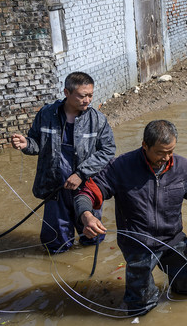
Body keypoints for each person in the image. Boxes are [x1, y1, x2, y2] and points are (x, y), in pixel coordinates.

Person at [76, 119, 187, 316]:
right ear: (145, 145)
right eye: (160, 152)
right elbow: (87, 193)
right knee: (140, 304)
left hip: (173, 240)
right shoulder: (121, 167)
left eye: (170, 151)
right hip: (138, 244)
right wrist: (87, 216)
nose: (166, 157)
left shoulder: (182, 167)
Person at [10, 71, 115, 253]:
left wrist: (81, 174)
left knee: (92, 236)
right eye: (83, 96)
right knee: (55, 242)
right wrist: (26, 144)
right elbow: (36, 143)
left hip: (86, 186)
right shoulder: (46, 114)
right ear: (67, 92)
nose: (87, 100)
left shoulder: (97, 120)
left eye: (90, 95)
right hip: (55, 187)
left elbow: (108, 150)